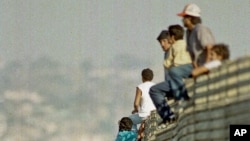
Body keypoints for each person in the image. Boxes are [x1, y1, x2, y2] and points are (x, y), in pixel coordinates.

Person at [166, 3, 216, 100]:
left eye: (185, 17)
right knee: (173, 72)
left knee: (174, 71)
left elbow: (209, 47)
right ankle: (182, 97)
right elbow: (192, 54)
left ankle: (183, 98)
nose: (182, 20)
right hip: (196, 65)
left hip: (205, 64)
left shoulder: (200, 29)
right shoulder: (189, 32)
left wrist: (206, 66)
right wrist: (195, 66)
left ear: (191, 18)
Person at [149, 24, 192, 123]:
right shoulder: (182, 47)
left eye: (164, 41)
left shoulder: (172, 51)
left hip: (178, 83)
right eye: (161, 43)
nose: (162, 45)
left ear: (171, 39)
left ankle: (168, 116)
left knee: (154, 90)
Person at [129, 68, 156, 133]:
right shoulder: (156, 86)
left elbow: (136, 104)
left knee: (130, 120)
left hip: (145, 114)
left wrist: (136, 110)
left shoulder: (140, 87)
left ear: (142, 77)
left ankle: (134, 137)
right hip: (155, 113)